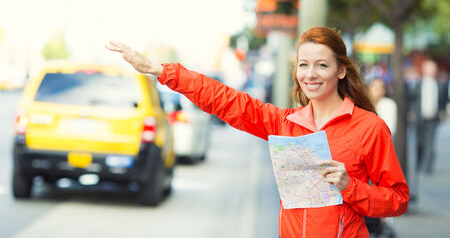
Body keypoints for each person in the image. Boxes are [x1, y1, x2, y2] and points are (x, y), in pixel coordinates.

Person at [106, 27, 409, 238]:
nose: (310, 74)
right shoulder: (285, 123)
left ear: (341, 70)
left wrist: (350, 187)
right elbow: (225, 100)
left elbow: (398, 199)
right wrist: (161, 71)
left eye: (321, 65)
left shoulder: (369, 127)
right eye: (303, 65)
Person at [410, 59, 447, 174]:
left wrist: (442, 112)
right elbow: (412, 99)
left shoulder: (441, 86)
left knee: (430, 142)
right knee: (420, 142)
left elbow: (443, 101)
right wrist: (411, 112)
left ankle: (429, 167)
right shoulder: (418, 84)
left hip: (433, 118)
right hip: (420, 117)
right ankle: (419, 163)